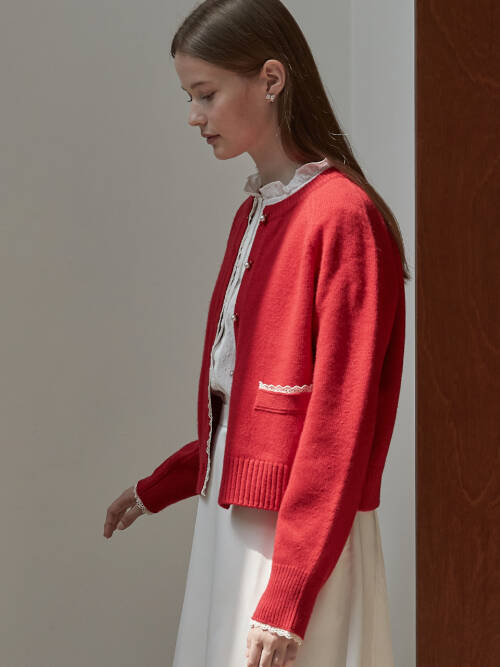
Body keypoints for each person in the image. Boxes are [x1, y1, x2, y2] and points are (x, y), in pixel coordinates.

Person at [103, 1, 410, 665]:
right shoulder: (254, 214)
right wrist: (164, 484)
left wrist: (289, 596)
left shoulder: (342, 217)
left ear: (271, 79)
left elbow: (339, 426)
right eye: (189, 96)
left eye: (205, 93)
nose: (194, 115)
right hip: (234, 519)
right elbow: (248, 408)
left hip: (295, 540)